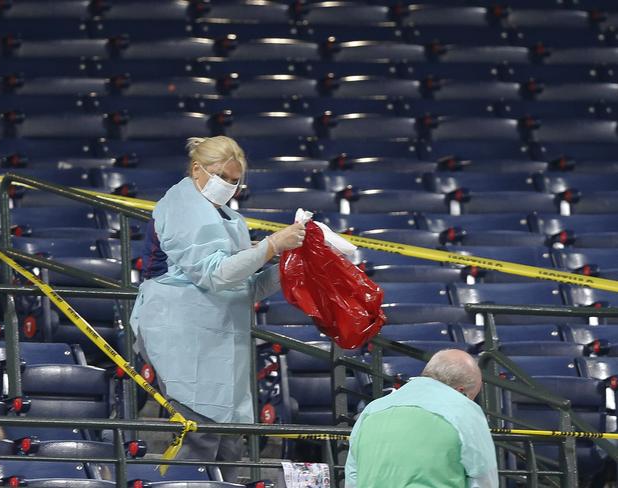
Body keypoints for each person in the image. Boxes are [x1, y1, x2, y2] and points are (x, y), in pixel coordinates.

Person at [129, 136, 306, 481]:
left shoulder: (227, 219)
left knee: (229, 445)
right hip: (183, 334)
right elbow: (216, 274)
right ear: (197, 170)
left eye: (234, 179)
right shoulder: (182, 209)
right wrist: (272, 244)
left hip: (220, 339)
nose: (229, 185)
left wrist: (288, 268)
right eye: (221, 176)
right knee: (201, 437)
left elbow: (246, 286)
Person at [345, 349, 498, 488]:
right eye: (471, 397)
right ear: (461, 391)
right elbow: (484, 478)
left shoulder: (371, 410)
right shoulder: (465, 409)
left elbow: (352, 476)